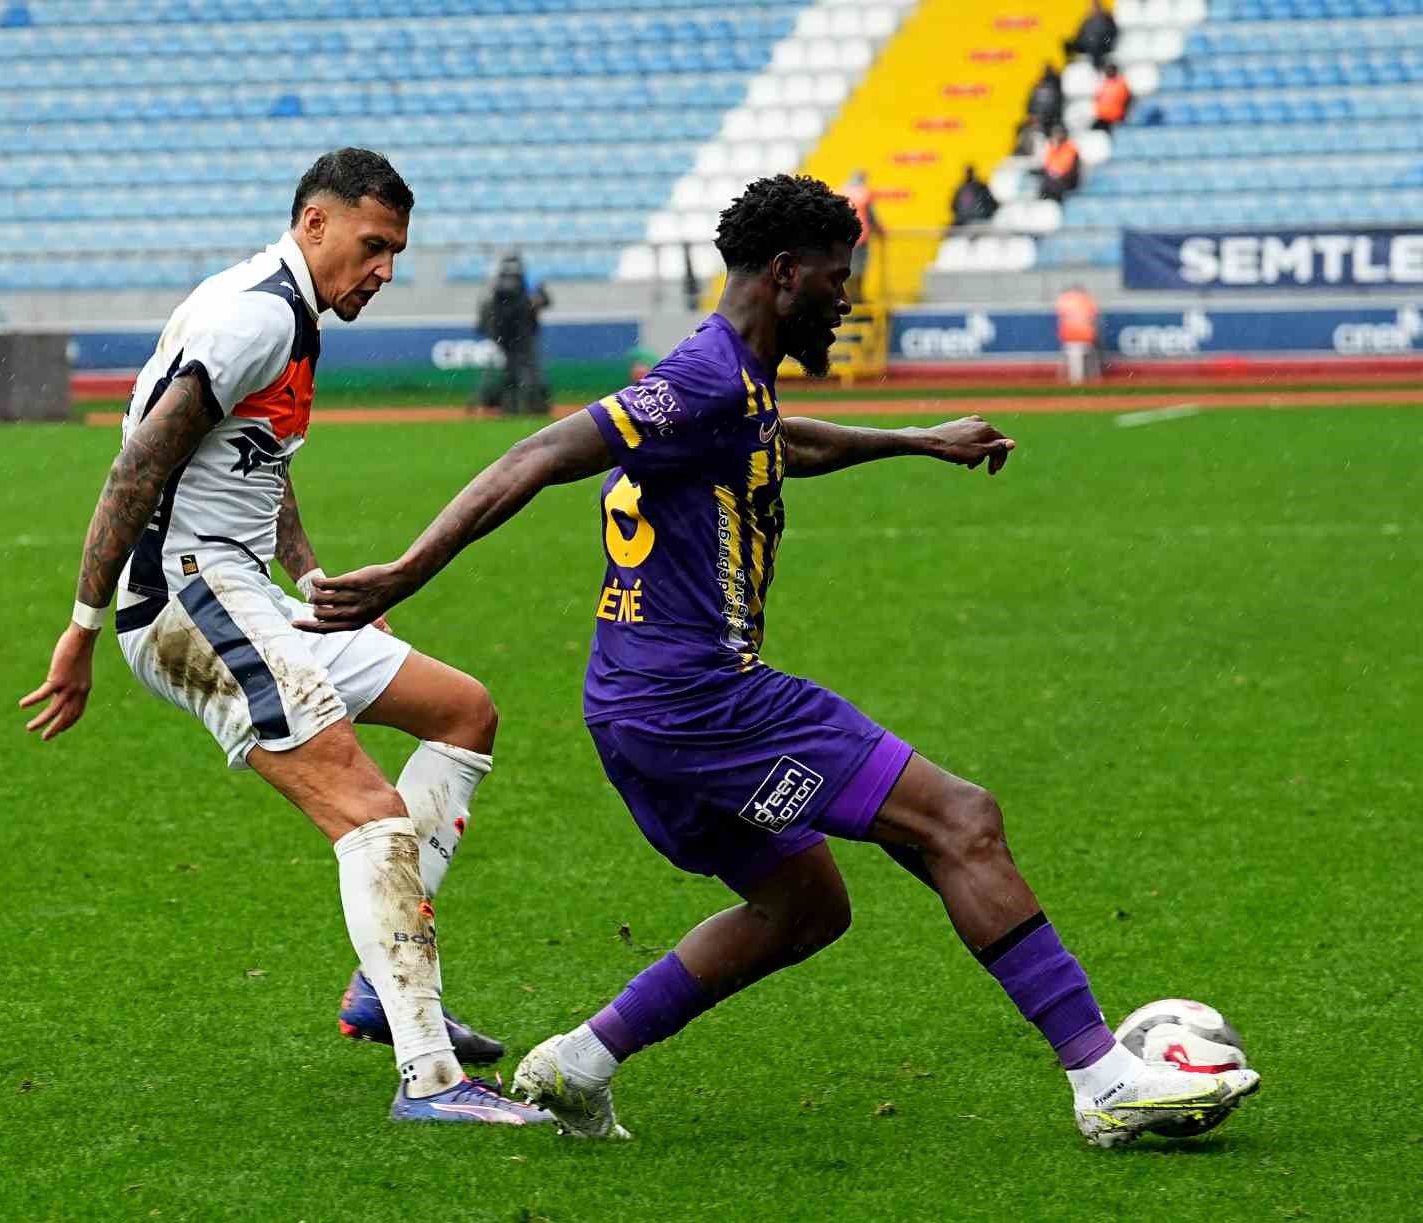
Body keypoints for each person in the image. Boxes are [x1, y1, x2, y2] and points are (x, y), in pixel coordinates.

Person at [299, 174, 1260, 1145]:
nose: (847, 300)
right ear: (786, 272)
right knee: (960, 818)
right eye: (838, 280)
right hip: (705, 702)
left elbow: (775, 440)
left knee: (804, 905)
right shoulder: (706, 375)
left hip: (636, 712)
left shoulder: (733, 386)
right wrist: (406, 573)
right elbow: (543, 450)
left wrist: (917, 439)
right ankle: (1103, 1076)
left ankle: (578, 1061)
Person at [17, 148, 550, 1127]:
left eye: (394, 251)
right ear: (315, 223)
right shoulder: (258, 313)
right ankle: (431, 1078)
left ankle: (377, 985)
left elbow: (260, 461)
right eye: (372, 245)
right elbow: (137, 466)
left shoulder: (292, 312)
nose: (383, 269)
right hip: (185, 596)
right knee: (370, 810)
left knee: (463, 711)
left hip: (244, 584)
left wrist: (313, 577)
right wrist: (83, 626)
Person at [475, 253, 551, 415]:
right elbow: (544, 301)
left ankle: (511, 406)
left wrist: (492, 330)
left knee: (512, 372)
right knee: (530, 371)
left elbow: (489, 310)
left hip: (506, 335)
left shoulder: (496, 284)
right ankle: (534, 405)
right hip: (523, 334)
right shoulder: (528, 283)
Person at [840, 169, 884, 303]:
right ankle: (856, 300)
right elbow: (872, 217)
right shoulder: (864, 194)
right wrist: (881, 231)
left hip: (844, 238)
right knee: (859, 270)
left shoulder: (842, 192)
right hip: (861, 238)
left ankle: (848, 298)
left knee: (846, 269)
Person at [1056, 283, 1102, 384]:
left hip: (1070, 338)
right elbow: (1094, 320)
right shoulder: (1087, 300)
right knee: (1083, 356)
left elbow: (1060, 318)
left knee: (1075, 356)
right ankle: (1084, 380)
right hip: (1085, 338)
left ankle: (1076, 380)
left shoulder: (1064, 300)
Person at [1064, 0, 1119, 69]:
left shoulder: (1107, 18)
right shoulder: (1087, 21)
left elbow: (1113, 33)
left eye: (1096, 6)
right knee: (1067, 44)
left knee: (1095, 44)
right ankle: (1069, 66)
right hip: (1086, 44)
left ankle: (1098, 67)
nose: (1094, 8)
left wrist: (1106, 40)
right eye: (1092, 6)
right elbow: (1079, 35)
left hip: (1101, 44)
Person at [1038, 125, 1082, 203]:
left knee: (1050, 184)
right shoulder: (1053, 148)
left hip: (1068, 181)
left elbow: (1064, 169)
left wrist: (1053, 173)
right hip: (1054, 180)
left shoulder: (1070, 149)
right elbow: (1047, 165)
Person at [1025, 63, 1064, 132]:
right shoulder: (1040, 86)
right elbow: (1031, 102)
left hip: (1051, 117)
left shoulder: (1056, 85)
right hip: (1047, 117)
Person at [1094, 63, 1132, 131]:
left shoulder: (1121, 83)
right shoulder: (1103, 83)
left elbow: (1127, 100)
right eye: (1107, 70)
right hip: (1102, 117)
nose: (1108, 72)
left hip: (1116, 117)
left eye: (1110, 70)